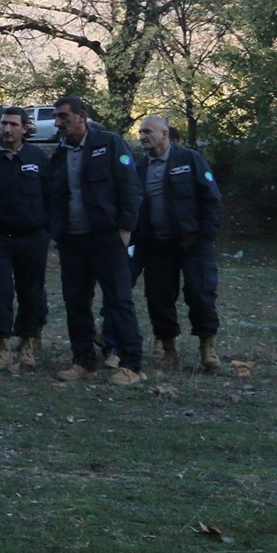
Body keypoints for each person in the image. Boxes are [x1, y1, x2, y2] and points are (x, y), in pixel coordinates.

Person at [47, 97, 145, 385]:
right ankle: (84, 362)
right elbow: (52, 195)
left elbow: (130, 188)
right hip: (72, 241)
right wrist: (56, 230)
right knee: (76, 301)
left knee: (118, 300)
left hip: (106, 238)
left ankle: (132, 365)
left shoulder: (110, 143)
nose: (58, 122)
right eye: (55, 117)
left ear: (82, 116)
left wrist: (126, 228)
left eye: (63, 116)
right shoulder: (60, 154)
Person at [134, 116, 225, 373]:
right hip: (156, 245)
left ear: (164, 134)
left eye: (148, 131)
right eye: (140, 132)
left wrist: (206, 235)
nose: (143, 136)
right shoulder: (138, 168)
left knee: (200, 293)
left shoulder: (189, 160)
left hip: (193, 243)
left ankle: (207, 348)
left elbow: (211, 199)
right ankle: (169, 351)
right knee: (159, 298)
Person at [0, 107, 51, 370]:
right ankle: (2, 346)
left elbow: (50, 196)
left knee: (31, 291)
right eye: (4, 124)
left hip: (32, 236)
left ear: (25, 128)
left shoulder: (37, 157)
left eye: (13, 125)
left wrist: (47, 230)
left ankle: (26, 346)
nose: (7, 129)